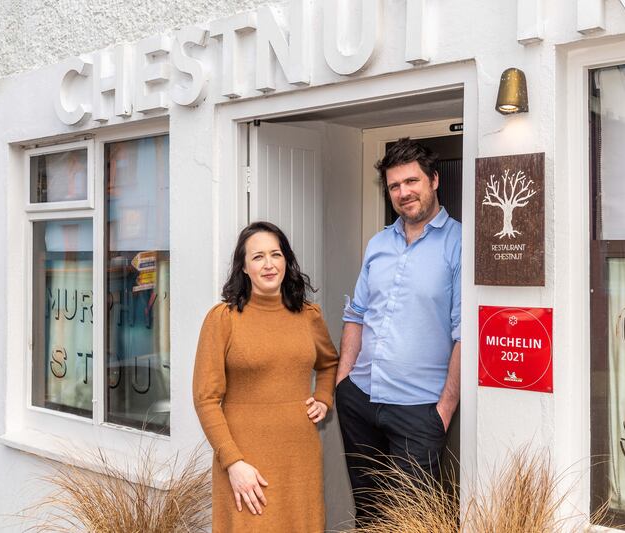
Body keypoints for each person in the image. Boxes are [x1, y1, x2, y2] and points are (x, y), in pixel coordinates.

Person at [335, 137, 461, 525]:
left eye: (412, 181)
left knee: (411, 520)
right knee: (369, 513)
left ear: (434, 180)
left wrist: (443, 410)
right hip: (360, 399)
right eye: (394, 186)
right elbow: (356, 315)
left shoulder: (459, 243)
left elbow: (465, 335)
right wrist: (343, 381)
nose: (404, 192)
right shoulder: (378, 244)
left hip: (418, 410)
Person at [193, 221, 338, 533]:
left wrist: (324, 399)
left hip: (300, 459)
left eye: (276, 254)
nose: (269, 264)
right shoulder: (223, 320)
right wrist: (233, 463)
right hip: (245, 461)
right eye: (258, 257)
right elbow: (205, 399)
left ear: (286, 260)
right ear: (244, 267)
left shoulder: (309, 315)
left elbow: (329, 363)